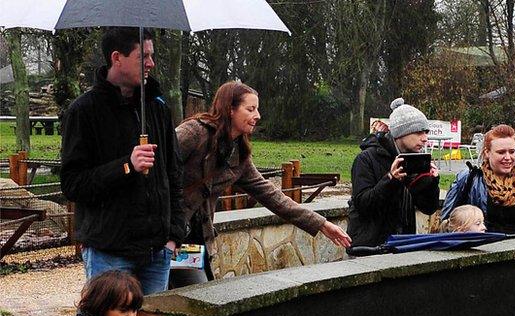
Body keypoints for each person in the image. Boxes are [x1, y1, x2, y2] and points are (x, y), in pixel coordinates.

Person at [172, 81, 351, 286]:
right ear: (230, 109)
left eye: (257, 109)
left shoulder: (239, 156)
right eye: (250, 109)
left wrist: (322, 224)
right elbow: (158, 169)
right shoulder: (194, 132)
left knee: (195, 295)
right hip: (163, 234)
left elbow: (272, 196)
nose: (257, 115)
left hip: (193, 241)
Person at [60, 27, 186, 295]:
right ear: (117, 58)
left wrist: (174, 236)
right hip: (110, 252)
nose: (151, 63)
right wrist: (126, 166)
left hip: (157, 252)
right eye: (144, 57)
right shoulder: (84, 112)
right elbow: (73, 184)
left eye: (152, 56)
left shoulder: (157, 108)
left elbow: (174, 174)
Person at [346, 98, 440, 247]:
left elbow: (428, 207)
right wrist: (391, 179)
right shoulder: (366, 159)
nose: (425, 139)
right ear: (400, 133)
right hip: (368, 248)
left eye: (426, 132)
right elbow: (363, 204)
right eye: (419, 132)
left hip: (402, 245)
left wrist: (432, 182)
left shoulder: (413, 161)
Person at [441, 124, 515, 236]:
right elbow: (448, 222)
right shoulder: (469, 179)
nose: (508, 157)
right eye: (501, 152)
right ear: (487, 153)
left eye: (512, 151)